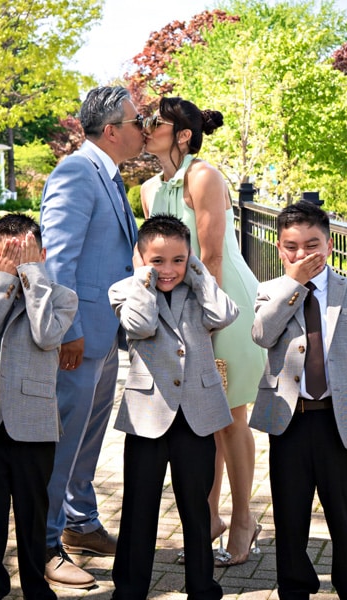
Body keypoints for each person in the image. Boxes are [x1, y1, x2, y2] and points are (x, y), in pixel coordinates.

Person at [140, 97, 266, 566]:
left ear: (183, 135)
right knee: (202, 419)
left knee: (230, 417)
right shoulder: (150, 188)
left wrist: (203, 326)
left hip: (222, 308)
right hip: (179, 314)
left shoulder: (204, 176)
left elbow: (211, 257)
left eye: (156, 122)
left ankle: (244, 521)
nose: (145, 128)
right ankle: (207, 518)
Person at [249, 201, 347, 600]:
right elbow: (261, 334)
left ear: (329, 245)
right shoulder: (271, 291)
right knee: (290, 512)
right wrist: (292, 285)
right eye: (291, 247)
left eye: (312, 245)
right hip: (289, 420)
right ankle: (294, 586)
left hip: (336, 420)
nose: (302, 254)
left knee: (345, 512)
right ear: (279, 249)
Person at [39, 86, 144, 589]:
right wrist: (69, 331)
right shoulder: (76, 173)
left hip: (105, 336)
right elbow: (57, 259)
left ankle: (80, 524)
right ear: (111, 130)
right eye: (136, 120)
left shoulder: (108, 174)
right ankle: (45, 543)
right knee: (62, 441)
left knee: (88, 438)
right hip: (79, 339)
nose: (143, 127)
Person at [109, 214, 239, 600]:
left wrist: (198, 272)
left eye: (178, 260)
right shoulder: (124, 290)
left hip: (197, 414)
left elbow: (224, 315)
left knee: (196, 507)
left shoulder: (200, 288)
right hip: (148, 414)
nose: (169, 269)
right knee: (139, 506)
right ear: (141, 257)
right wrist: (143, 282)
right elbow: (142, 326)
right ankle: (130, 589)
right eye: (158, 261)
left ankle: (202, 586)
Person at [0, 213, 78, 600]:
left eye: (26, 254)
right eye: (9, 255)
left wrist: (33, 277)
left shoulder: (61, 297)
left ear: (42, 254)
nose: (18, 262)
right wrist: (5, 283)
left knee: (32, 516)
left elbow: (45, 334)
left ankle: (37, 589)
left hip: (35, 422)